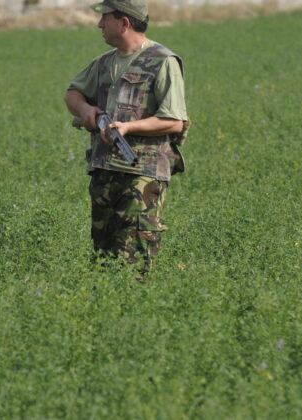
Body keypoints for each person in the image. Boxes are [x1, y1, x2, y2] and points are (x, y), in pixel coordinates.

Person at [64, 0, 188, 277]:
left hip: (141, 176)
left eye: (105, 18)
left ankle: (134, 315)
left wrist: (128, 128)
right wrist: (86, 111)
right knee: (103, 260)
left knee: (134, 261)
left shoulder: (163, 62)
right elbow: (72, 93)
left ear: (124, 23)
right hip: (104, 174)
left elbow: (174, 121)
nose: (99, 24)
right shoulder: (104, 63)